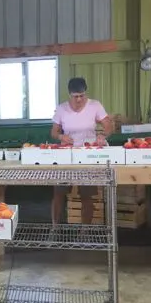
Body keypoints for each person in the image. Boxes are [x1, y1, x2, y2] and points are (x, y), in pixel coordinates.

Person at [50, 77, 113, 225]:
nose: (79, 99)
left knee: (86, 195)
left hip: (88, 156)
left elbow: (108, 125)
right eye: (75, 96)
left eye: (81, 96)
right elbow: (53, 132)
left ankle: (85, 231)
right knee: (59, 193)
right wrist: (61, 136)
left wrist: (103, 135)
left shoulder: (95, 105)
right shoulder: (61, 109)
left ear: (85, 92)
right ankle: (55, 227)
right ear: (69, 94)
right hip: (67, 156)